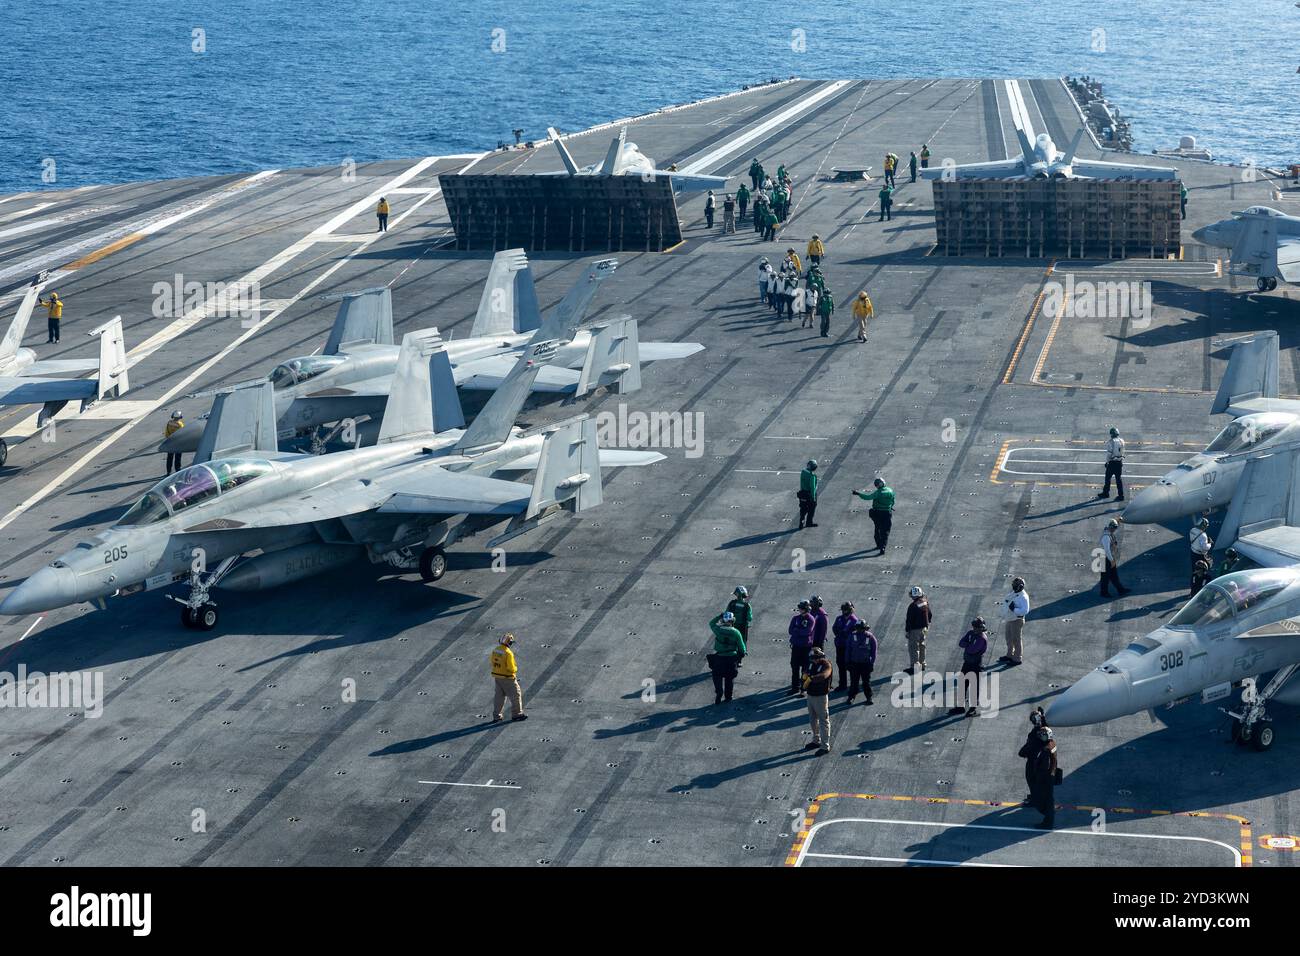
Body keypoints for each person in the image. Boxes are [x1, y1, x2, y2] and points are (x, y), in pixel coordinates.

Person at [949, 618, 988, 716]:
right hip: (967, 663)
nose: (974, 628)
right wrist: (968, 644)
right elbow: (961, 643)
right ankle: (960, 707)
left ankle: (973, 709)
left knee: (974, 687)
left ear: (981, 628)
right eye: (974, 626)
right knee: (962, 684)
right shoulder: (971, 633)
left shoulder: (982, 638)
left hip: (976, 665)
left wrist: (968, 644)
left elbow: (972, 650)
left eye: (976, 627)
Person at [708, 611, 747, 704]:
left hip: (719, 657)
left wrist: (719, 616)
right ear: (733, 620)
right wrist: (743, 653)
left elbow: (711, 623)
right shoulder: (736, 632)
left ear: (723, 620)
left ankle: (719, 691)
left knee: (717, 675)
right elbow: (742, 647)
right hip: (731, 658)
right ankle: (728, 696)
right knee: (729, 678)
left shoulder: (718, 630)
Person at [1025, 726, 1059, 829]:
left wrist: (1038, 776)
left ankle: (1048, 820)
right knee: (1049, 799)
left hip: (1045, 778)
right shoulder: (1052, 743)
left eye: (1043, 735)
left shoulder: (1045, 749)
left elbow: (1044, 766)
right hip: (1051, 775)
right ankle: (1049, 816)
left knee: (1043, 799)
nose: (1041, 737)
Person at [490, 633, 527, 722]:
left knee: (499, 697)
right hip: (507, 678)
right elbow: (511, 668)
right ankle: (517, 714)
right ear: (509, 643)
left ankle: (497, 716)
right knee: (516, 695)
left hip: (497, 677)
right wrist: (515, 669)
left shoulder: (495, 650)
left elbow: (492, 661)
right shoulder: (508, 652)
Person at [803, 647, 833, 755]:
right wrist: (804, 674)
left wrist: (811, 678)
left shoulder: (826, 665)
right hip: (811, 695)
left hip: (820, 697)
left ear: (821, 657)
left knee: (823, 721)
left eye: (816, 658)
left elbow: (824, 675)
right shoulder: (812, 663)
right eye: (812, 658)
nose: (814, 660)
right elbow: (806, 670)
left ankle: (825, 746)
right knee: (812, 719)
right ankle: (816, 740)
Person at [852, 477, 894, 552]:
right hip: (887, 513)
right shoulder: (890, 491)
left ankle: (878, 545)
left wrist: (858, 494)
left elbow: (867, 497)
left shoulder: (878, 492)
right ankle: (883, 546)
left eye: (876, 485)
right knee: (885, 531)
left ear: (878, 485)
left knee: (877, 529)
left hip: (877, 513)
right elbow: (893, 501)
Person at [1019, 708, 1048, 803]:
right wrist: (1042, 716)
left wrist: (1022, 752)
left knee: (1031, 778)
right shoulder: (1044, 729)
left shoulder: (1036, 732)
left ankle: (1035, 799)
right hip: (1041, 758)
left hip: (1034, 760)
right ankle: (1036, 796)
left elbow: (1031, 745)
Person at [999, 577, 1029, 666]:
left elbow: (1025, 610)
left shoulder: (1023, 597)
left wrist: (1014, 609)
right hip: (1009, 618)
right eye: (1013, 585)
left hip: (1017, 620)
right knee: (1008, 638)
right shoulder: (1014, 593)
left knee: (1016, 640)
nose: (1013, 587)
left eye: (1015, 586)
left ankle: (1017, 658)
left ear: (1020, 586)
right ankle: (1009, 655)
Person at [845, 620, 877, 705]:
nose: (859, 630)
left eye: (861, 628)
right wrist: (847, 662)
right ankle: (851, 697)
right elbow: (848, 649)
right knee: (854, 682)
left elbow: (874, 652)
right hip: (854, 663)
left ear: (865, 628)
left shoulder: (870, 637)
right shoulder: (852, 636)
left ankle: (869, 697)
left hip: (865, 664)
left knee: (866, 682)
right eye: (858, 628)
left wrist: (871, 663)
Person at [788, 600, 816, 695]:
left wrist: (797, 630)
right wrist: (799, 631)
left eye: (801, 608)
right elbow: (790, 630)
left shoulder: (811, 619)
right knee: (794, 667)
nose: (799, 609)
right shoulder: (795, 618)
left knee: (805, 669)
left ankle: (803, 689)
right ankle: (795, 687)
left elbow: (807, 632)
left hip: (805, 647)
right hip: (796, 647)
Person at [832, 602, 860, 692]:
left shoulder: (854, 620)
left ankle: (853, 685)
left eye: (846, 609)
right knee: (840, 665)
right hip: (840, 645)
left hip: (849, 647)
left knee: (851, 666)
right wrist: (839, 635)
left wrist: (845, 636)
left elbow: (855, 634)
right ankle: (842, 684)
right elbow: (834, 628)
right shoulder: (839, 618)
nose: (844, 611)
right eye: (843, 610)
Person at [1099, 518, 1131, 598]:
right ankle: (1104, 593)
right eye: (1113, 527)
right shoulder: (1106, 537)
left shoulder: (1109, 533)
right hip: (1105, 559)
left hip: (1110, 558)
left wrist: (1118, 521)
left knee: (1114, 576)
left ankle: (1121, 590)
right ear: (1109, 526)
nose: (1114, 529)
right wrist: (1112, 560)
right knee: (1105, 577)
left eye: (1115, 527)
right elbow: (1107, 550)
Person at [904, 585, 931, 674]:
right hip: (924, 629)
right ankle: (922, 664)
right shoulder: (925, 602)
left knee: (913, 648)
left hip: (915, 630)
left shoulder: (912, 606)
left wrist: (908, 631)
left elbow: (909, 620)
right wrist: (927, 624)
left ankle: (915, 667)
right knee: (922, 646)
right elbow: (930, 614)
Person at [1097, 427, 1125, 501]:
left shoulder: (1111, 441)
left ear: (1111, 434)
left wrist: (1107, 462)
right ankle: (1121, 495)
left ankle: (1106, 493)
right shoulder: (1122, 441)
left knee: (1108, 478)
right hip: (1119, 462)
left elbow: (1109, 454)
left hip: (1112, 463)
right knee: (1118, 479)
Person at [798, 459, 819, 529]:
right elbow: (812, 488)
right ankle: (809, 523)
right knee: (811, 509)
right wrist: (813, 498)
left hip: (802, 493)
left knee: (803, 509)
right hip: (809, 495)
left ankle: (801, 522)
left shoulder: (803, 472)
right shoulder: (812, 476)